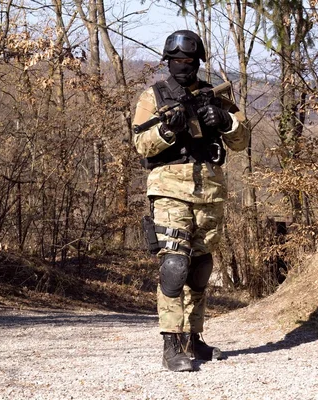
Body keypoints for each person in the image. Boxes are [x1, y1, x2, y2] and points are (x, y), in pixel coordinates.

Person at [132, 30, 250, 372]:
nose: (183, 67)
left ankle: (194, 339)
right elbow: (141, 145)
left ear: (197, 62)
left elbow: (242, 140)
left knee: (200, 268)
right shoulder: (153, 96)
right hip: (169, 187)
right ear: (167, 62)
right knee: (174, 265)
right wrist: (169, 130)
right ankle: (171, 343)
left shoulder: (213, 95)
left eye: (189, 61)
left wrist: (225, 121)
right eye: (176, 61)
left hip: (210, 190)